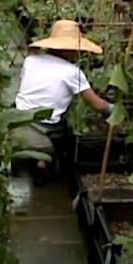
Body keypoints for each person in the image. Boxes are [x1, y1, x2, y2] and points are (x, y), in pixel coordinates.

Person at [13, 19, 113, 185]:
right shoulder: (72, 72)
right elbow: (96, 104)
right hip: (46, 132)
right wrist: (114, 109)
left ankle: (37, 159)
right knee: (65, 137)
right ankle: (45, 159)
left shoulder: (30, 61)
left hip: (17, 124)